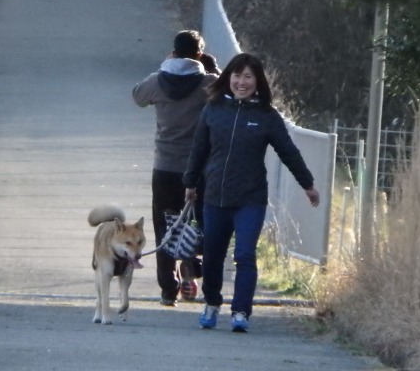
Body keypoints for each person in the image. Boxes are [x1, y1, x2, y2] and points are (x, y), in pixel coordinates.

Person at [183, 52, 320, 332]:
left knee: (245, 254)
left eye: (248, 76)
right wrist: (190, 183)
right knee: (212, 255)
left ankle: (241, 312)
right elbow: (198, 149)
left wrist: (308, 184)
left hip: (250, 199)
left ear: (258, 81)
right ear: (228, 78)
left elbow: (288, 152)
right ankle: (212, 303)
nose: (241, 82)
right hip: (215, 196)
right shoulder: (213, 109)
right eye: (237, 75)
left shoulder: (267, 116)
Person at [132, 30, 220, 306]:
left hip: (165, 167)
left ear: (173, 52)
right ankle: (191, 267)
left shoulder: (157, 81)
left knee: (164, 226)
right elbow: (228, 96)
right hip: (198, 169)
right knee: (197, 222)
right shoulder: (208, 83)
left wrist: (164, 68)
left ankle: (168, 290)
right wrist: (213, 69)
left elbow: (137, 96)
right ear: (199, 54)